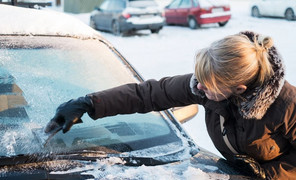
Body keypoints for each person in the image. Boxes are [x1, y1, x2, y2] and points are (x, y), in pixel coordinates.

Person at [45, 31, 296, 180]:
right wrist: (88, 103)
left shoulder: (286, 105)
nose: (198, 89)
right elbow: (148, 94)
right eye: (199, 80)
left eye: (207, 86)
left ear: (238, 90)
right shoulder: (205, 86)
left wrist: (267, 174)